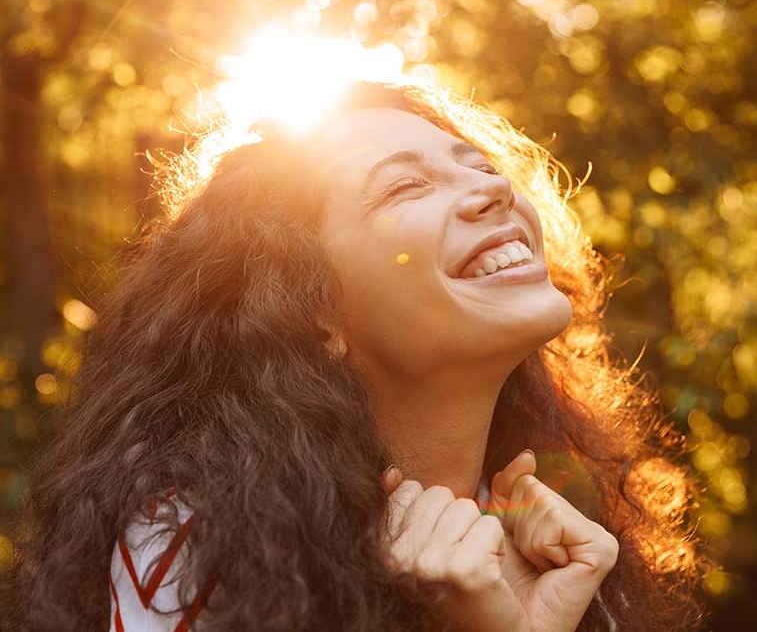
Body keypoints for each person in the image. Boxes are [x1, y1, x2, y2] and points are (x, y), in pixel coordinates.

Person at [1, 81, 707, 631]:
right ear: (309, 311)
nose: (493, 188)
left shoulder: (568, 548)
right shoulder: (195, 551)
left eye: (482, 167)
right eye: (405, 186)